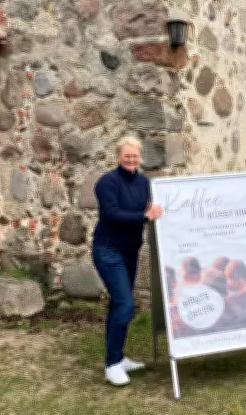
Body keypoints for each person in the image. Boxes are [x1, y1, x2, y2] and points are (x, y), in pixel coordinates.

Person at [92, 136, 163, 386]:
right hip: (107, 251)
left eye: (134, 156)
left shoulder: (143, 182)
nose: (131, 160)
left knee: (119, 305)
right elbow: (112, 215)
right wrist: (145, 217)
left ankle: (118, 357)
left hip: (130, 251)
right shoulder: (107, 182)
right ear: (118, 156)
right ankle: (112, 366)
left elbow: (154, 207)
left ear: (139, 156)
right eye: (126, 156)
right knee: (125, 305)